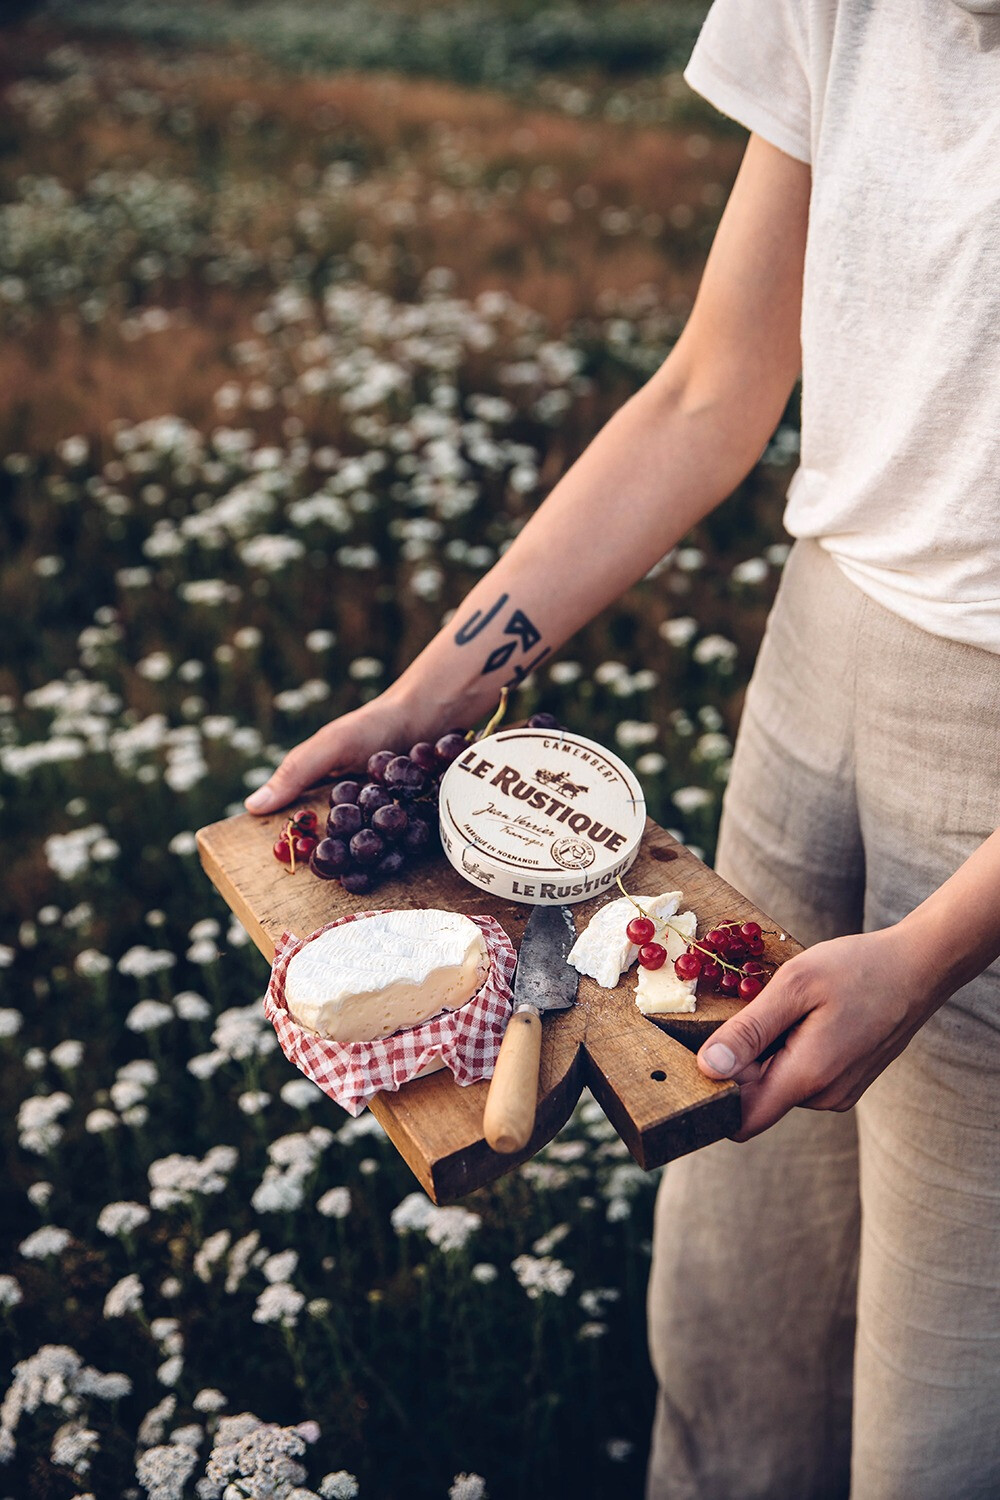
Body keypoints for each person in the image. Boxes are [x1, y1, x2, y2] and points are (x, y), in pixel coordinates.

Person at [245, 1, 1000, 1493]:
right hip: (813, 662)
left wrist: (928, 954)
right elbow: (710, 389)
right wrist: (436, 690)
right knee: (735, 1322)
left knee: (947, 1397)